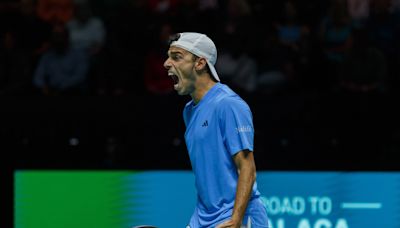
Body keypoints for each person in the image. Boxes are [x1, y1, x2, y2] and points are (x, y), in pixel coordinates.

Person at [163, 32, 269, 228]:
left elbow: (247, 167)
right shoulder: (189, 111)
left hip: (237, 217)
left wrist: (236, 220)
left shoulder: (228, 104)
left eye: (176, 57)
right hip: (202, 218)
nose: (167, 63)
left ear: (200, 63)